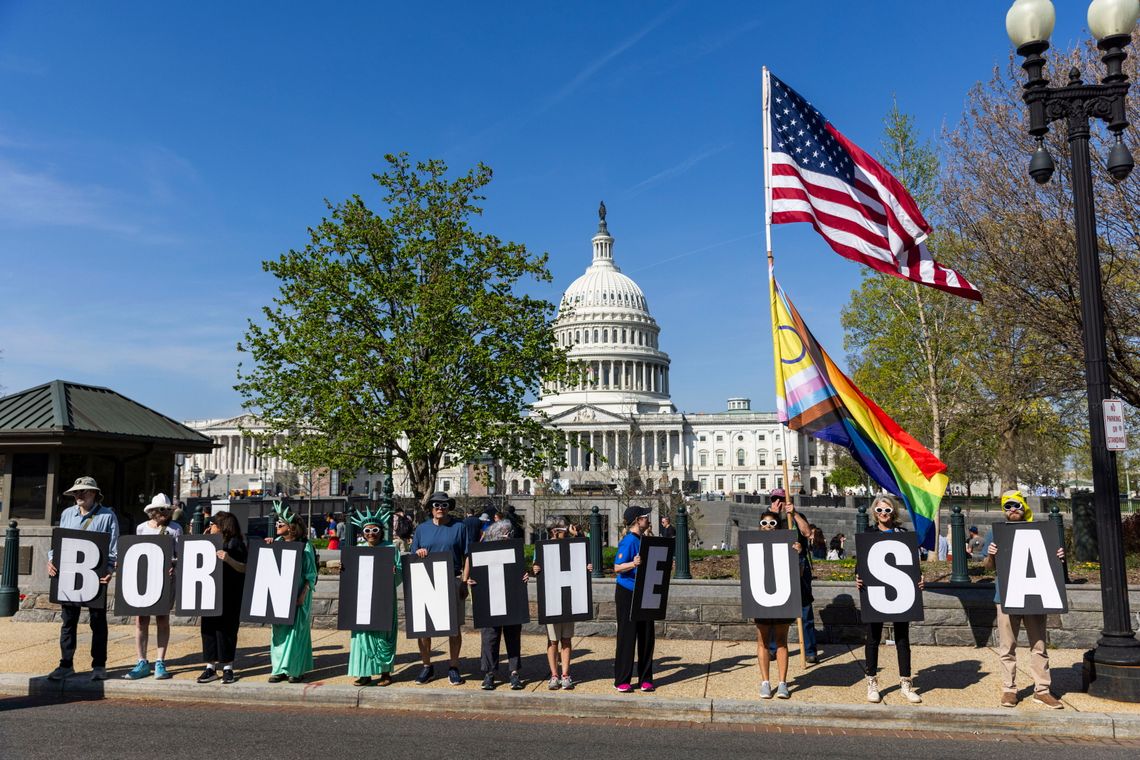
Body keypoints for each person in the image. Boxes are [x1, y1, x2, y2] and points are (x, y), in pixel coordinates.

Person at [983, 490, 1065, 709]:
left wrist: (1058, 558)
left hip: (1035, 595)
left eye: (1016, 505)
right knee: (1007, 645)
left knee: (1039, 645)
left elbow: (1053, 565)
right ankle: (1009, 690)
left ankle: (1042, 690)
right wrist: (991, 554)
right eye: (1007, 506)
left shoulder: (1039, 530)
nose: (1012, 510)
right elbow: (988, 567)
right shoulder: (996, 532)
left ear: (1023, 506)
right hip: (1006, 596)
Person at [46, 476, 120, 682]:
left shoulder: (107, 516)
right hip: (69, 574)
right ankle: (66, 663)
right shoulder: (67, 514)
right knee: (68, 620)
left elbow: (113, 547)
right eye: (76, 492)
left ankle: (99, 664)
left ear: (94, 493)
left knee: (97, 621)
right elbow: (58, 542)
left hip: (95, 575)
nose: (79, 495)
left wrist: (110, 569)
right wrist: (51, 560)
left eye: (83, 491)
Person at [857, 495, 924, 704]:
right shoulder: (869, 533)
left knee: (902, 638)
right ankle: (872, 681)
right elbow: (862, 561)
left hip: (900, 590)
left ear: (893, 512)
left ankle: (905, 682)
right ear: (874, 513)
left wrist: (919, 579)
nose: (883, 514)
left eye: (887, 510)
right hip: (875, 590)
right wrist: (857, 577)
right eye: (879, 511)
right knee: (873, 637)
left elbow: (912, 564)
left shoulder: (902, 534)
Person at [411, 491, 469, 686]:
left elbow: (467, 556)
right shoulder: (421, 529)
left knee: (453, 628)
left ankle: (454, 666)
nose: (439, 508)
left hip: (452, 578)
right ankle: (427, 666)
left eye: (443, 505)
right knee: (423, 628)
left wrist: (464, 580)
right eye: (436, 505)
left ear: (449, 507)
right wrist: (419, 553)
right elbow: (413, 556)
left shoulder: (459, 527)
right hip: (426, 580)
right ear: (431, 508)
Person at [124, 493, 183, 681]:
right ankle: (141, 660)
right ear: (152, 511)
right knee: (141, 620)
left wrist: (174, 566)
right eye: (162, 509)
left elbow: (180, 555)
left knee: (162, 619)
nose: (165, 512)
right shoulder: (141, 528)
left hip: (165, 580)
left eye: (167, 509)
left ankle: (160, 660)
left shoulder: (175, 529)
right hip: (145, 580)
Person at [532, 516, 593, 690]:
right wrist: (536, 568)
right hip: (552, 599)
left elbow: (583, 552)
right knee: (553, 641)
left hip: (568, 600)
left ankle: (565, 674)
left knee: (566, 639)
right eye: (563, 529)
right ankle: (554, 674)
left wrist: (586, 566)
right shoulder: (542, 548)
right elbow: (536, 566)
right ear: (554, 531)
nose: (566, 531)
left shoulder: (573, 546)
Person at [346, 505, 401, 687]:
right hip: (362, 600)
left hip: (383, 600)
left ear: (381, 531)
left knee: (383, 636)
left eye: (375, 530)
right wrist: (344, 569)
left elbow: (400, 572)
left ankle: (385, 673)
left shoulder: (391, 548)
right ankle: (364, 673)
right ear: (363, 533)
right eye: (367, 530)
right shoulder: (358, 548)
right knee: (362, 635)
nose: (371, 534)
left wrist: (395, 572)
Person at [473, 507, 526, 690]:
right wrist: (473, 579)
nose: (506, 535)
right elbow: (476, 572)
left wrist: (525, 576)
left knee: (513, 636)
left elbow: (520, 571)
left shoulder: (515, 550)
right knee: (490, 637)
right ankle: (489, 673)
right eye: (502, 532)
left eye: (508, 533)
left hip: (511, 598)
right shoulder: (484, 551)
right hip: (491, 598)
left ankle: (514, 672)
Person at [267, 502, 318, 683]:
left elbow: (311, 574)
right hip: (280, 593)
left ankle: (295, 670)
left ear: (292, 528)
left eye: (281, 524)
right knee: (278, 631)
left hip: (299, 593)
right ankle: (278, 668)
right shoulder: (276, 543)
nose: (277, 526)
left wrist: (303, 593)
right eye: (276, 524)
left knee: (297, 631)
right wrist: (268, 549)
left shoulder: (305, 546)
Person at [768, 489, 819, 664]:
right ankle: (773, 648)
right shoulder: (768, 517)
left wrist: (795, 513)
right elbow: (762, 536)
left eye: (781, 499)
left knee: (805, 609)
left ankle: (810, 650)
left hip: (799, 565)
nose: (778, 502)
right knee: (776, 609)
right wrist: (773, 516)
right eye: (775, 499)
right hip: (777, 565)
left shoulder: (797, 516)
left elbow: (807, 533)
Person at [198, 511, 247, 684]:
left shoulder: (236, 544)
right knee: (208, 629)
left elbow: (245, 568)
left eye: (212, 524)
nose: (209, 527)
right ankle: (210, 667)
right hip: (210, 593)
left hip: (230, 594)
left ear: (221, 526)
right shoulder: (209, 542)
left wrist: (228, 559)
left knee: (226, 630)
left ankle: (227, 668)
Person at [754, 509, 797, 699]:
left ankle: (782, 683)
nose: (768, 527)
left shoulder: (789, 544)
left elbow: (799, 572)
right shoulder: (753, 545)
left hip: (783, 597)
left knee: (781, 641)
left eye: (772, 523)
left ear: (778, 526)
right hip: (761, 597)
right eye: (764, 523)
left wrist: (798, 552)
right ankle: (765, 682)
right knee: (762, 640)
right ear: (759, 526)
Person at [613, 505, 656, 693]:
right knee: (627, 636)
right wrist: (633, 563)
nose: (648, 519)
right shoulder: (629, 541)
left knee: (647, 636)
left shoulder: (645, 539)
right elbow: (617, 567)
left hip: (645, 591)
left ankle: (646, 679)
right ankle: (622, 679)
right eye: (646, 516)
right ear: (638, 520)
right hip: (627, 592)